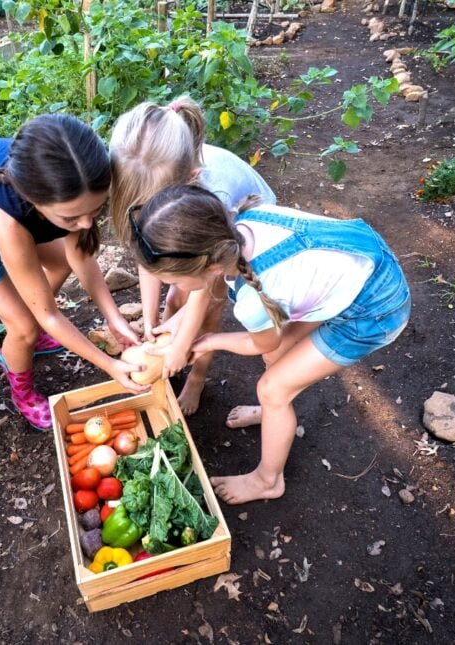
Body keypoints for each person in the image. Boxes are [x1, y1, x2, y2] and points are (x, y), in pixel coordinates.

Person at [127, 184, 411, 504]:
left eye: (174, 282)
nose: (172, 288)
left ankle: (268, 480)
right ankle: (273, 414)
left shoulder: (254, 298)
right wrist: (176, 327)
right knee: (278, 356)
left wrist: (207, 341)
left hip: (372, 309)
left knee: (272, 388)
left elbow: (258, 343)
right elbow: (207, 288)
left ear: (211, 265)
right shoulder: (238, 230)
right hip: (358, 264)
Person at [0, 114, 147, 431]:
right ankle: (22, 389)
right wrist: (110, 365)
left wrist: (115, 320)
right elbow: (50, 316)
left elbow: (82, 260)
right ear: (35, 201)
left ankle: (28, 328)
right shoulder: (9, 220)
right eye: (72, 217)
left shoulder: (71, 185)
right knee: (23, 326)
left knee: (59, 263)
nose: (87, 224)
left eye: (96, 210)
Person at [109, 96, 276, 416]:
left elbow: (206, 291)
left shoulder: (215, 196)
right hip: (194, 237)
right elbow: (147, 255)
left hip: (238, 235)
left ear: (190, 179)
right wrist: (150, 319)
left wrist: (184, 343)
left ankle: (197, 377)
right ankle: (170, 352)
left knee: (206, 310)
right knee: (174, 302)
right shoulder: (146, 180)